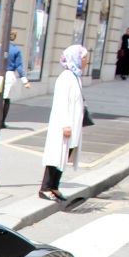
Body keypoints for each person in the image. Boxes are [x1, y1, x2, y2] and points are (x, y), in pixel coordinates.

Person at [39, 44, 88, 203]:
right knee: (56, 155)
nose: (86, 61)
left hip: (72, 124)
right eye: (84, 58)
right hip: (64, 124)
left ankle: (54, 186)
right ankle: (45, 187)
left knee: (65, 154)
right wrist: (66, 124)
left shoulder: (75, 76)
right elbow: (62, 103)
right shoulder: (66, 77)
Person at [0, 30, 30, 127]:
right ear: (14, 37)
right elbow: (19, 66)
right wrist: (24, 80)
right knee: (6, 99)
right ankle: (2, 121)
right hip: (10, 75)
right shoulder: (16, 50)